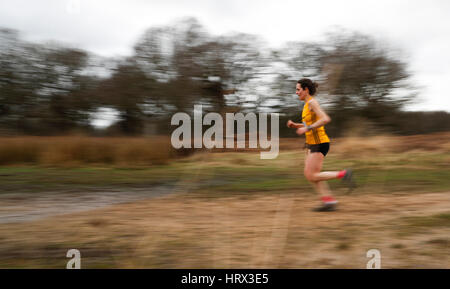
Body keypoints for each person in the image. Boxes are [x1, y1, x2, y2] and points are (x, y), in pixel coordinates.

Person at [287, 78, 353, 212]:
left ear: (306, 90)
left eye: (298, 89)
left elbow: (325, 119)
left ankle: (343, 174)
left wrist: (307, 129)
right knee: (312, 175)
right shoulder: (306, 105)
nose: (296, 92)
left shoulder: (312, 103)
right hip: (312, 144)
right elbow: (309, 124)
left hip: (319, 143)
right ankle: (329, 201)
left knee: (312, 175)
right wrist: (297, 125)